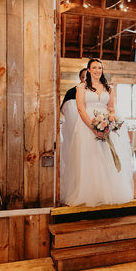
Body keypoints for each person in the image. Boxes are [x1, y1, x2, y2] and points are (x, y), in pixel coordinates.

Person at [62, 58, 134, 207]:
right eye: (94, 68)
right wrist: (93, 128)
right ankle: (89, 193)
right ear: (88, 70)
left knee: (106, 158)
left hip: (106, 126)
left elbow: (111, 108)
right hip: (86, 126)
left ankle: (107, 192)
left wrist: (111, 119)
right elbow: (81, 109)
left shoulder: (109, 88)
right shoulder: (81, 88)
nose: (97, 71)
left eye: (99, 68)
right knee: (90, 159)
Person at [60, 68, 86, 199]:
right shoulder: (72, 92)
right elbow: (63, 109)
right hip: (74, 129)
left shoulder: (95, 92)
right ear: (80, 78)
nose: (85, 79)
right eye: (83, 77)